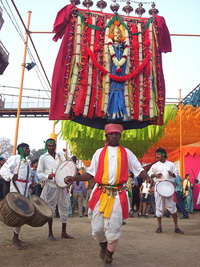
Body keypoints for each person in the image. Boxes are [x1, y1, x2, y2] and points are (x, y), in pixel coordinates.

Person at [64, 123, 151, 264]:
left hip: (118, 195)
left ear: (120, 135)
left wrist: (147, 177)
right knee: (97, 230)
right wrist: (75, 178)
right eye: (111, 134)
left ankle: (109, 257)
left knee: (113, 229)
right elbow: (90, 173)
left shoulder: (127, 153)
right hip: (100, 193)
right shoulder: (99, 153)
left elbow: (138, 169)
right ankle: (103, 245)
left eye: (117, 134)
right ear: (106, 135)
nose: (114, 136)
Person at [37, 138, 73, 241]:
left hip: (62, 185)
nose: (51, 147)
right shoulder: (43, 157)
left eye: (53, 145)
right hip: (51, 185)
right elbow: (39, 173)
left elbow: (65, 167)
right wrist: (47, 176)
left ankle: (64, 232)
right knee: (51, 209)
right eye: (49, 146)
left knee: (65, 206)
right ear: (46, 146)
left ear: (55, 146)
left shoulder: (60, 155)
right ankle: (50, 233)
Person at [0, 143, 34, 250]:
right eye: (26, 148)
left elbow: (27, 176)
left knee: (22, 214)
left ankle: (16, 237)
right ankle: (15, 240)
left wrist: (30, 185)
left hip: (24, 190)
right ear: (20, 150)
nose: (28, 150)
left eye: (29, 148)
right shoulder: (14, 158)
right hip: (16, 189)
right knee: (18, 213)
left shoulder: (27, 162)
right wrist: (11, 176)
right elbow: (3, 170)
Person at [148, 147, 184, 234]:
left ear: (163, 155)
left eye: (158, 154)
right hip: (158, 185)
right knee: (159, 207)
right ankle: (159, 227)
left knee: (172, 206)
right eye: (156, 154)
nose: (157, 156)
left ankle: (176, 227)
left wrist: (172, 174)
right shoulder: (155, 165)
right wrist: (155, 175)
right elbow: (149, 174)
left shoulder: (171, 165)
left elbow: (177, 174)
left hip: (168, 186)